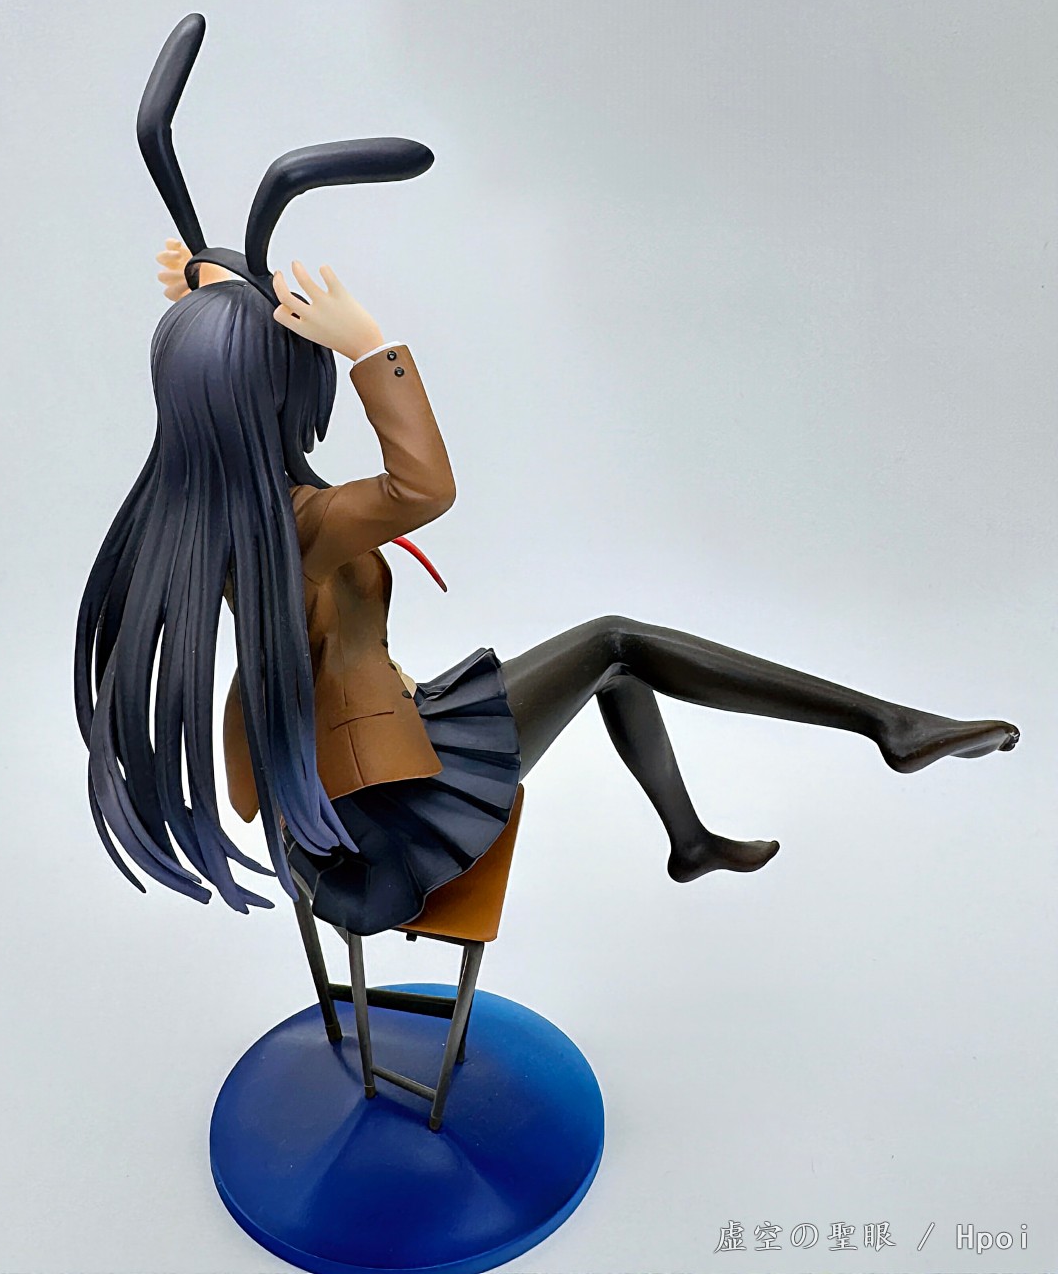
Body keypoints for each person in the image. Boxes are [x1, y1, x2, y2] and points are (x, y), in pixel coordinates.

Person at [74, 236, 1018, 938]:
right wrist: (369, 347)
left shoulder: (206, 511)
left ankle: (690, 841)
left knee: (615, 665)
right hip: (380, 840)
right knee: (615, 641)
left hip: (343, 789)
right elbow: (422, 490)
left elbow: (230, 370)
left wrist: (214, 279)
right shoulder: (302, 523)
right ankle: (889, 727)